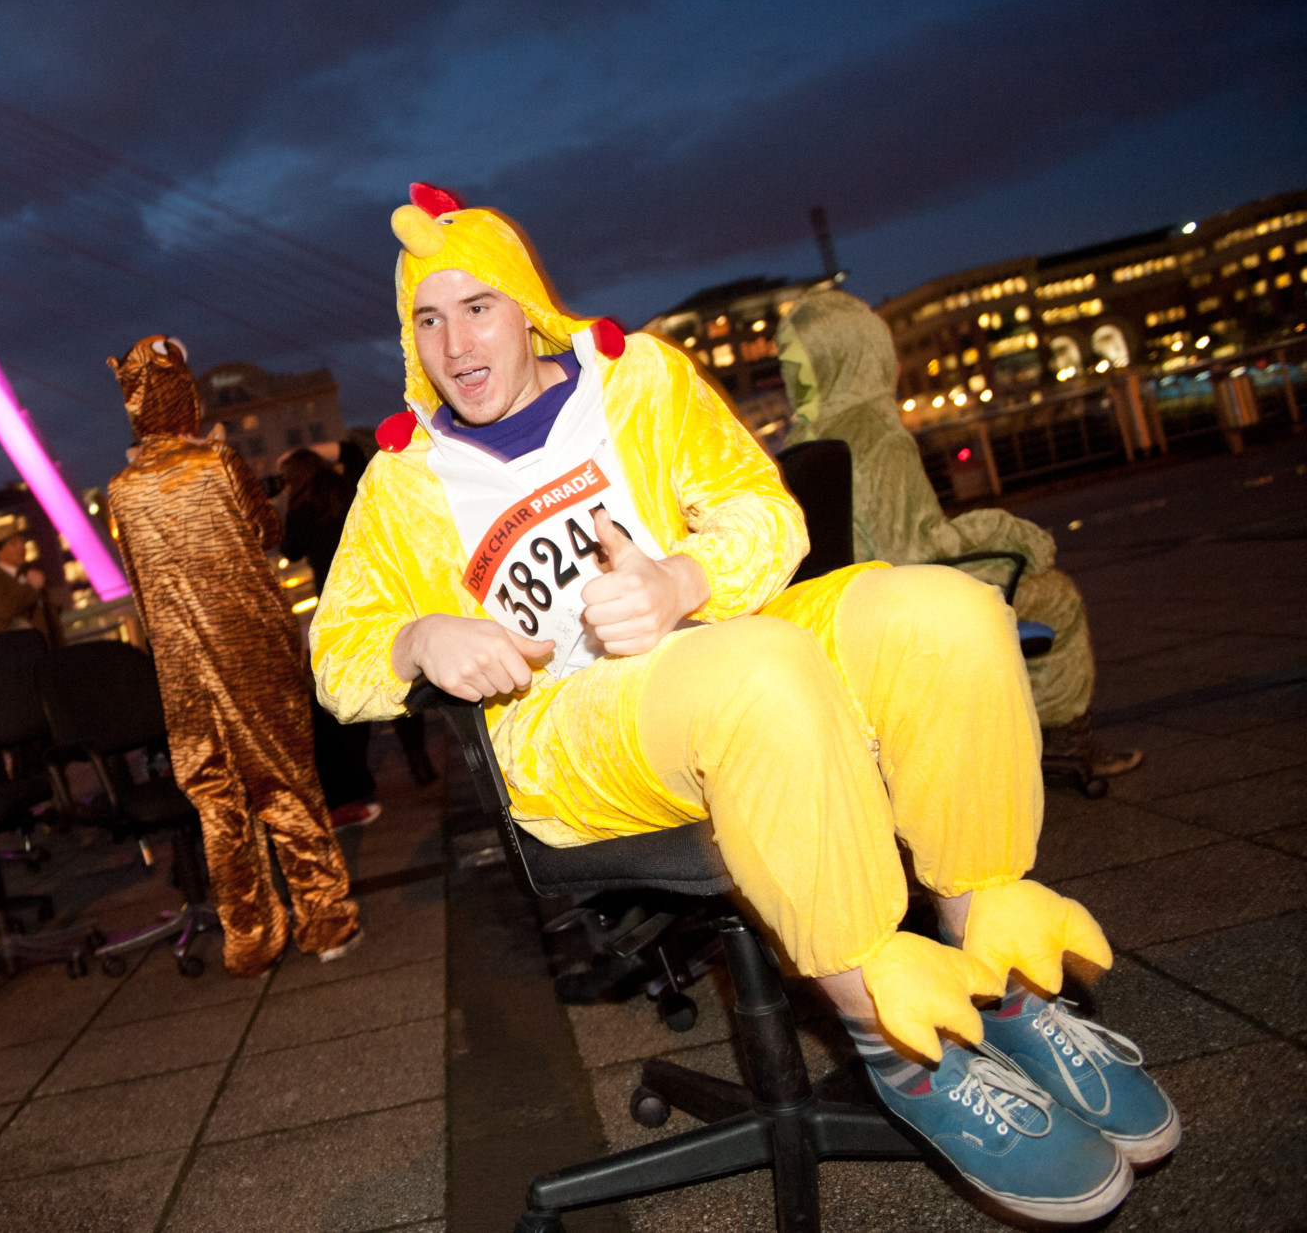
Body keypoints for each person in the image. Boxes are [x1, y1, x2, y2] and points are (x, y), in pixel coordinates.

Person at [311, 185, 1176, 1224]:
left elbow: (762, 511)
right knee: (758, 667)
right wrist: (420, 636)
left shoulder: (637, 381)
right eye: (425, 320)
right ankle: (894, 1038)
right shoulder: (405, 481)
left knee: (945, 611)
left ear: (525, 304)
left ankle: (1001, 965)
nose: (453, 343)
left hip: (720, 646)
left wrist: (679, 581)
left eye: (475, 307)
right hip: (569, 728)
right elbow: (336, 656)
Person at [777, 291, 1140, 777]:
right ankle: (1064, 743)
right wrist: (1004, 529)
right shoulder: (876, 436)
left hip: (843, 605)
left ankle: (1009, 734)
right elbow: (915, 550)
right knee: (1057, 596)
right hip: (900, 600)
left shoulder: (802, 443)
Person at [105, 336, 361, 976]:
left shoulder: (120, 491)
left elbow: (137, 578)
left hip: (182, 667)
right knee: (285, 784)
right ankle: (324, 921)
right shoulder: (216, 462)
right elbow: (267, 532)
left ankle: (250, 936)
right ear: (182, 395)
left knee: (218, 800)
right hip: (248, 646)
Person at [280, 448, 379, 828]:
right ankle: (419, 761)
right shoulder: (343, 486)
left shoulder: (302, 505)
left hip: (335, 600)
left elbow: (289, 551)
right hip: (371, 590)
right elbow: (360, 455)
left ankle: (355, 777)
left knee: (347, 688)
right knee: (389, 674)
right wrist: (332, 451)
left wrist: (289, 501)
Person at [0, 531, 60, 645]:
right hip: (14, 649)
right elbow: (5, 610)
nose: (21, 547)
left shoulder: (30, 572)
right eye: (13, 544)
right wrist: (30, 587)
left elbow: (50, 616)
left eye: (22, 542)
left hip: (45, 645)